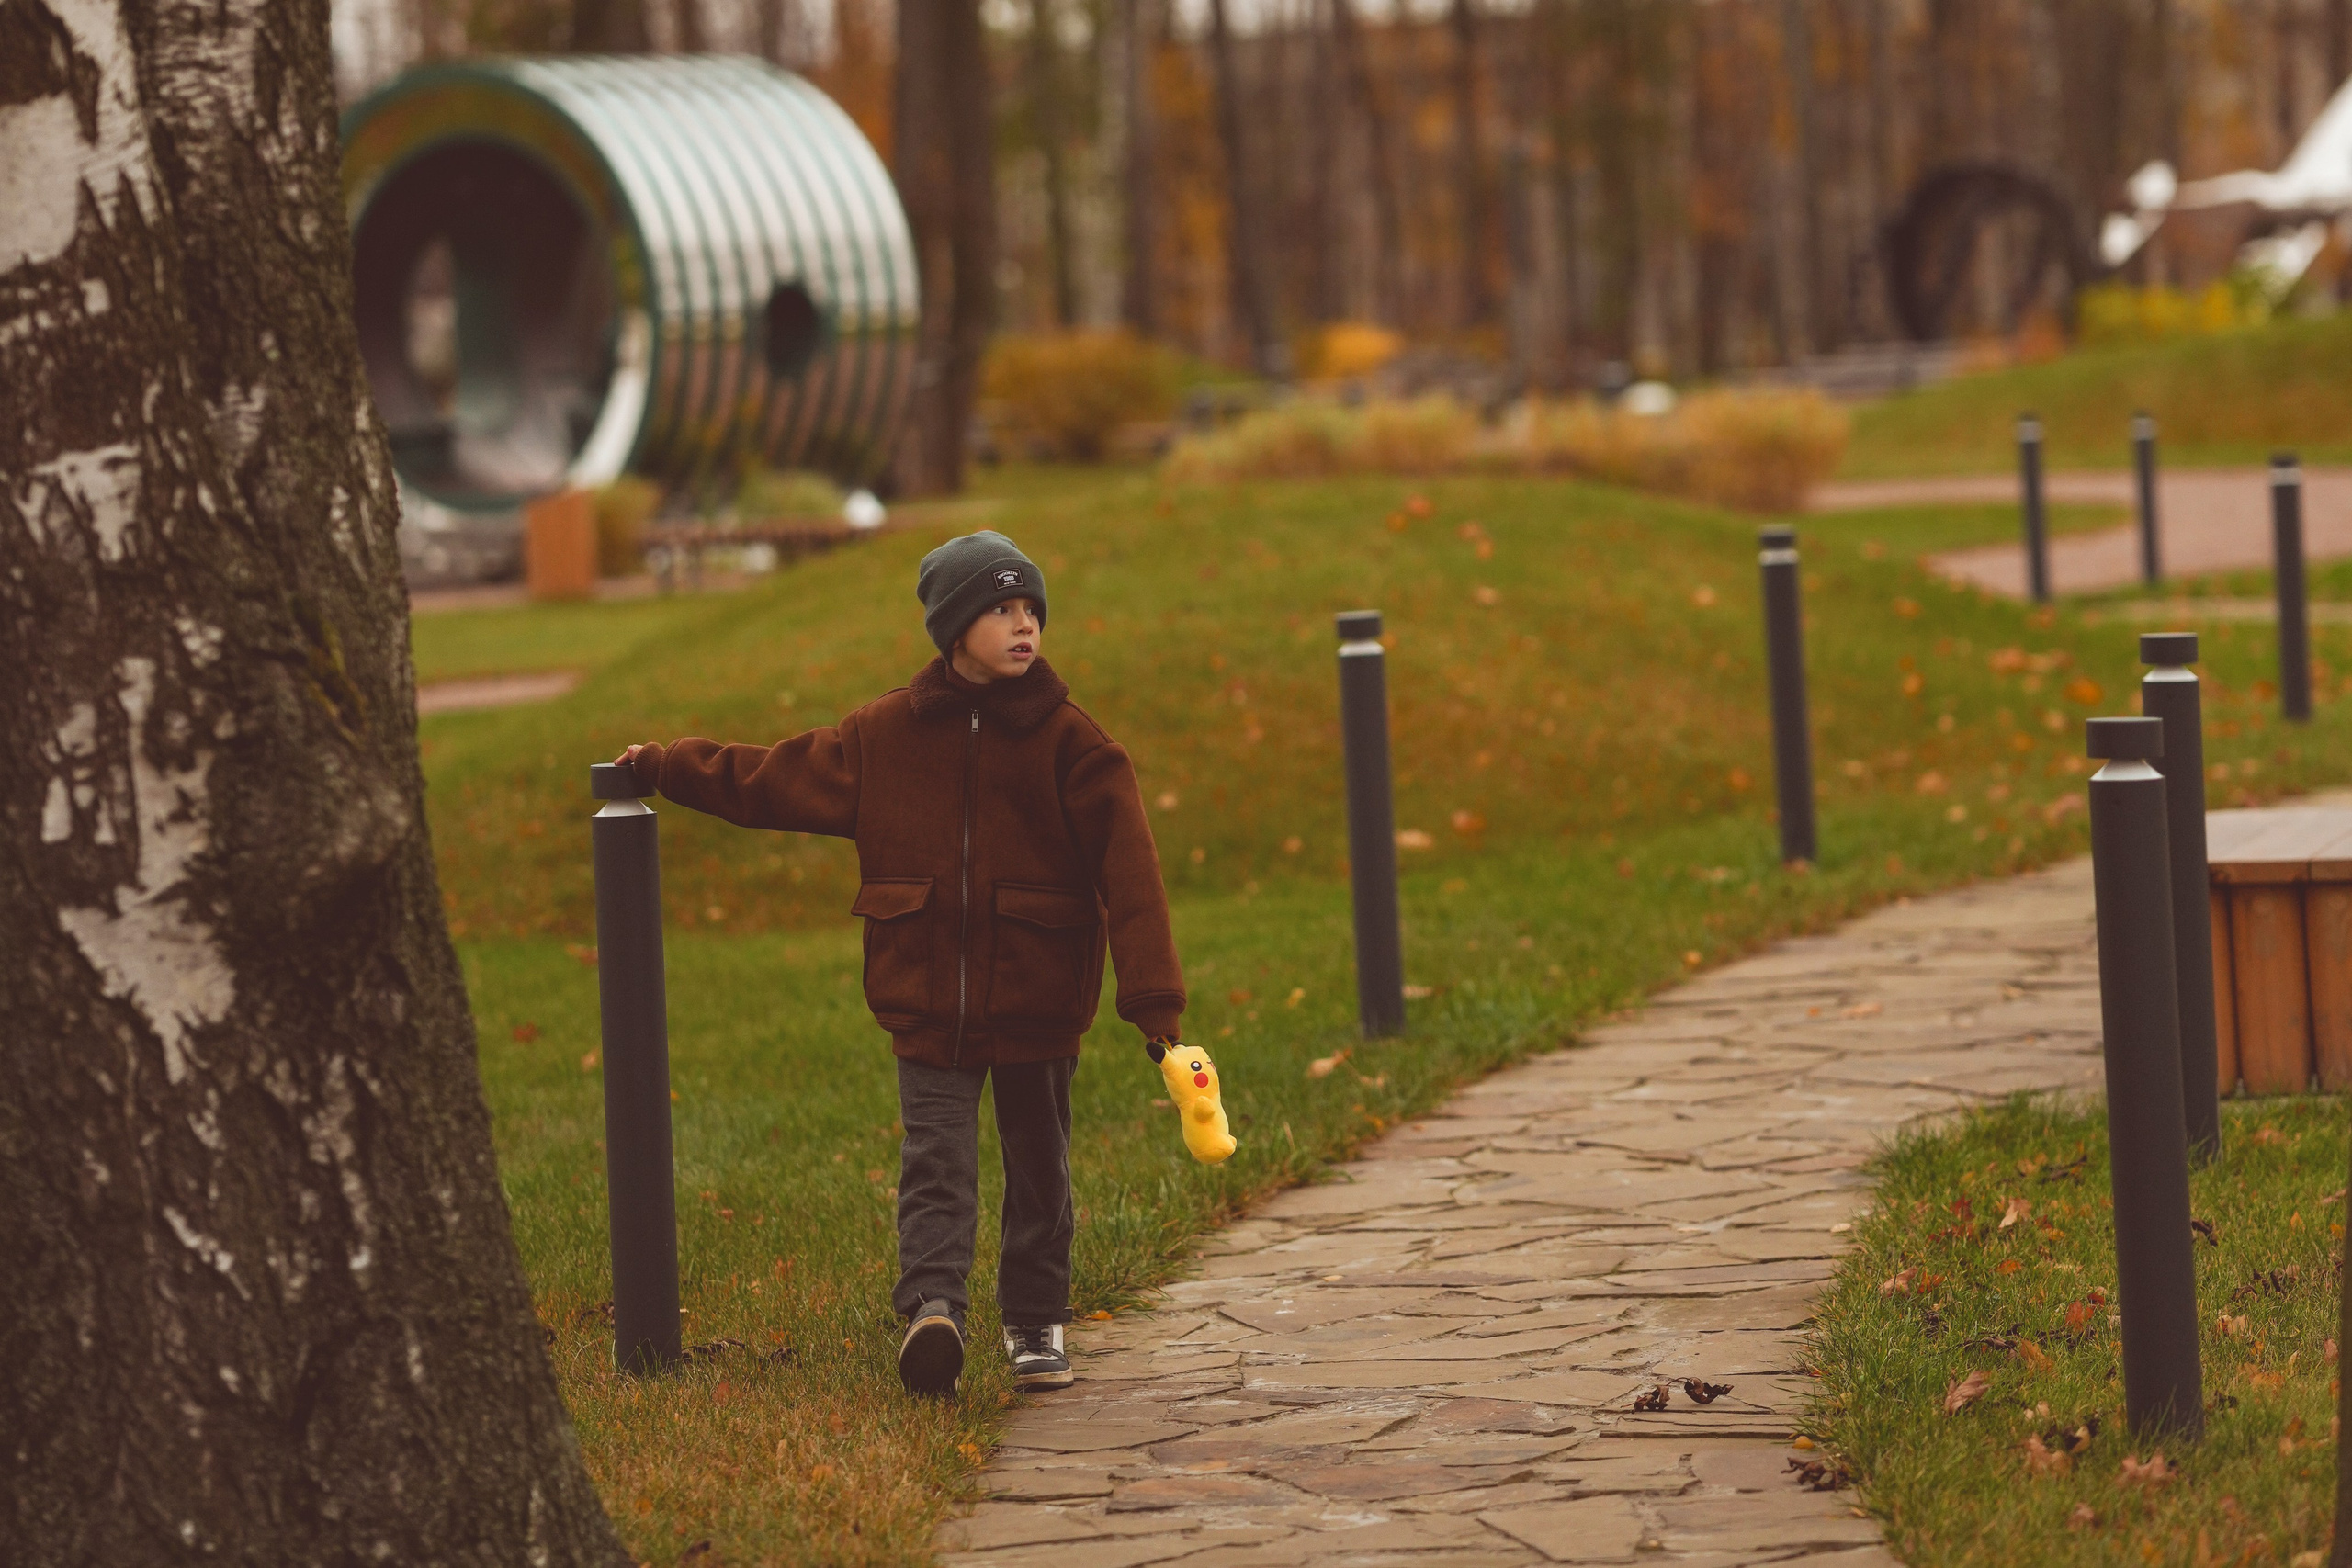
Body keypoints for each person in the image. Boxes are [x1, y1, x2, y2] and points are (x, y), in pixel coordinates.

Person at [615, 530, 1227, 1398]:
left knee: (1039, 1162)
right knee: (935, 1160)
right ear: (951, 629)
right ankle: (934, 1310)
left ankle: (1034, 1316)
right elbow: (769, 781)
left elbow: (1132, 877)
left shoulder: (1074, 744)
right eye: (1000, 609)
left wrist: (1154, 1001)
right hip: (924, 994)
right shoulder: (882, 736)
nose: (1023, 626)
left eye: (1031, 609)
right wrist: (671, 765)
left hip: (1039, 996)